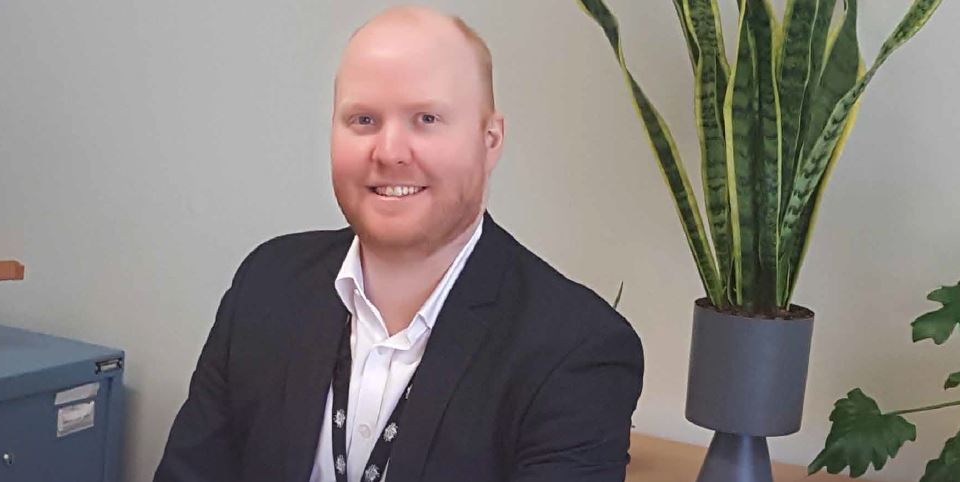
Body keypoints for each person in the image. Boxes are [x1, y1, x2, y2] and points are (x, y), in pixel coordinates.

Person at [155, 5, 643, 482]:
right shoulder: (266, 284)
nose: (389, 152)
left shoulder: (576, 350)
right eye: (363, 120)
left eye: (426, 119)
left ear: (490, 139)